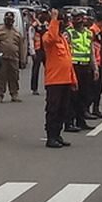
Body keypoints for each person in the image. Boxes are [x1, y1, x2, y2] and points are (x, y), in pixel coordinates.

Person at [42, 8, 76, 149]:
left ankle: (58, 134)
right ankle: (51, 137)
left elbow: (68, 62)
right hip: (54, 81)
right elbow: (52, 38)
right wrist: (54, 20)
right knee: (53, 110)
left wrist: (73, 80)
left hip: (66, 80)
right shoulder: (48, 38)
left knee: (64, 109)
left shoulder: (63, 40)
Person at [65, 12, 97, 132]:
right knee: (72, 96)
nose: (76, 21)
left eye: (78, 18)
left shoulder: (88, 33)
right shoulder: (69, 33)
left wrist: (95, 68)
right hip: (74, 66)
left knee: (84, 95)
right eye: (74, 18)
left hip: (86, 67)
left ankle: (81, 120)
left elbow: (91, 51)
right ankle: (69, 122)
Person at [0, 11, 26, 103]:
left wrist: (22, 60)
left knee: (14, 77)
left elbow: (21, 47)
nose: (9, 21)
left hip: (14, 58)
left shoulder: (17, 32)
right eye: (7, 19)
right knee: (1, 77)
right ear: (4, 19)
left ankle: (14, 94)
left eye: (11, 19)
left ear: (13, 20)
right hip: (2, 58)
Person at [30, 10, 49, 95]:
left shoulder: (47, 25)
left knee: (49, 70)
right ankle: (34, 88)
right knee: (35, 70)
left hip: (46, 50)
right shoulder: (33, 27)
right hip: (37, 50)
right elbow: (31, 39)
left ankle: (49, 86)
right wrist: (32, 51)